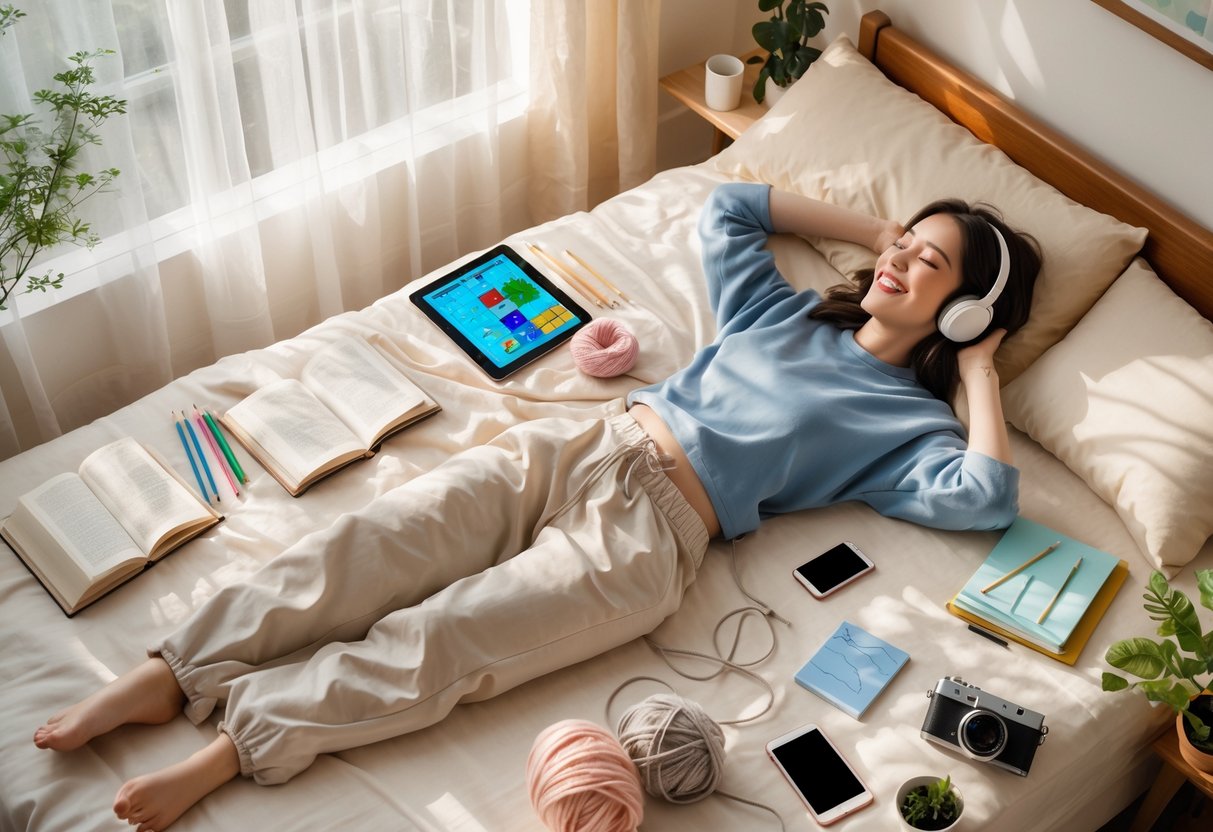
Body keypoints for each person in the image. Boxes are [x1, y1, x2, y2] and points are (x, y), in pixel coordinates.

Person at [33, 182, 1040, 830]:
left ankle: (233, 745)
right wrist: (877, 228)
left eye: (930, 262)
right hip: (579, 443)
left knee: (442, 640)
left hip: (646, 540)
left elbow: (985, 500)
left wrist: (981, 366)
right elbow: (730, 208)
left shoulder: (905, 422)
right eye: (905, 242)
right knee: (363, 546)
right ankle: (170, 673)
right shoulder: (780, 312)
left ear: (962, 308)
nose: (901, 260)